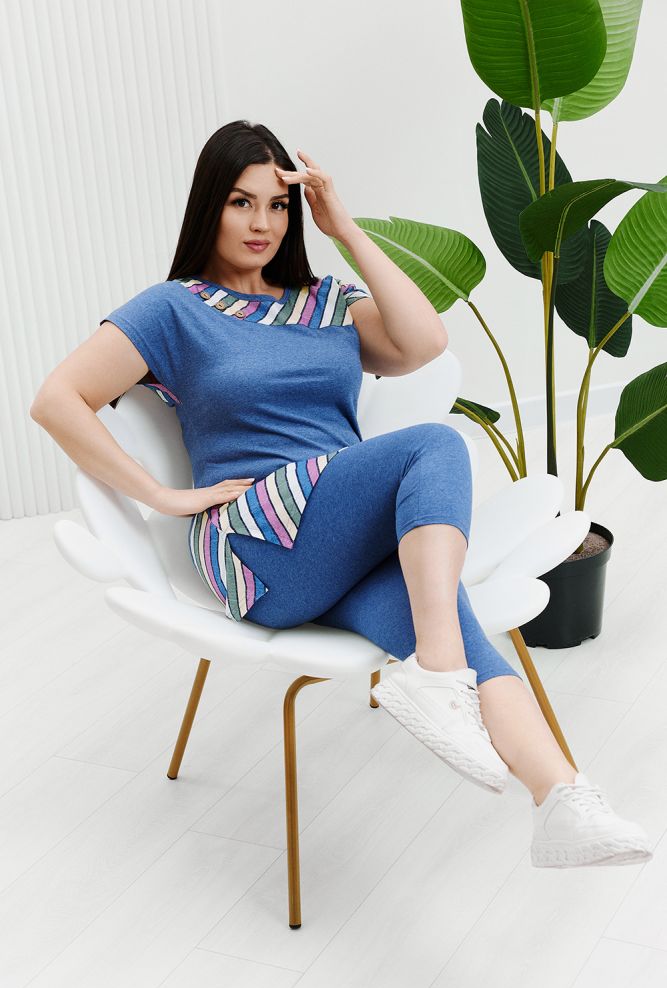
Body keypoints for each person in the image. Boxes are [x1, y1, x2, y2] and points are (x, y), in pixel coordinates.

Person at [30, 120, 652, 870]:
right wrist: (162, 497)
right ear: (209, 206)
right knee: (435, 445)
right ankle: (437, 676)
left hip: (338, 536)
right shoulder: (173, 309)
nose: (262, 223)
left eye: (277, 205)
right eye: (240, 202)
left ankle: (561, 800)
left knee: (459, 633)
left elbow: (424, 344)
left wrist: (345, 229)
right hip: (259, 542)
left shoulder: (324, 301)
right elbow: (57, 399)